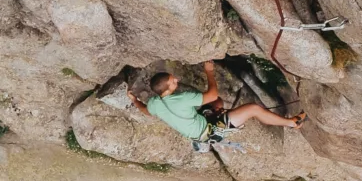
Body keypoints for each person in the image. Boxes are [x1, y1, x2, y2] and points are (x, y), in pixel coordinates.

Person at [127, 61, 306, 148]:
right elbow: (212, 93)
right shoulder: (183, 98)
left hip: (198, 128)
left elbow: (146, 112)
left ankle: (221, 114)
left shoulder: (154, 103)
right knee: (253, 109)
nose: (177, 80)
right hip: (211, 131)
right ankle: (293, 123)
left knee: (218, 103)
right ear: (167, 88)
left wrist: (135, 100)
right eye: (173, 81)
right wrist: (209, 72)